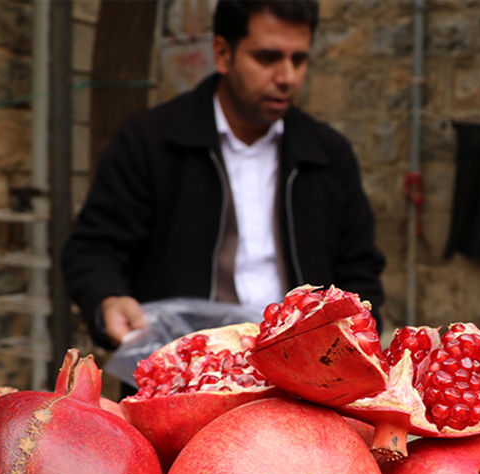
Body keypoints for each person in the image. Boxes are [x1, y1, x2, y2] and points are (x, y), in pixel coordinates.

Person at [61, 0, 386, 352]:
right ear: (222, 53)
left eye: (299, 59)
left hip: (299, 374)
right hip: (178, 367)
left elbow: (359, 272)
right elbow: (94, 248)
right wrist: (108, 299)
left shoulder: (328, 155)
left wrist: (353, 335)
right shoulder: (151, 141)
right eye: (267, 58)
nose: (287, 77)